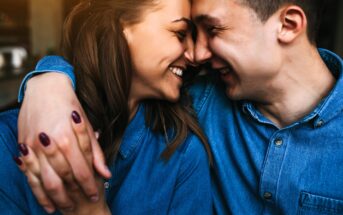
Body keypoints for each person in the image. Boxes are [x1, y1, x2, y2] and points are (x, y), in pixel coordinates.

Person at [11, 0, 343, 214]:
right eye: (185, 33)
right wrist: (49, 81)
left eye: (212, 29)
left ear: (288, 25)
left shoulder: (194, 114)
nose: (197, 55)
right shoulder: (194, 102)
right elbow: (114, 71)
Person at [0, 0, 213, 214]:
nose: (193, 56)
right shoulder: (8, 141)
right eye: (180, 34)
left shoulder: (184, 155)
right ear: (122, 26)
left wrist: (92, 210)